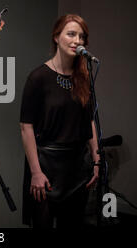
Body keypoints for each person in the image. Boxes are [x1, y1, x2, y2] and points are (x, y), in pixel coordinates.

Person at [20, 14, 99, 229]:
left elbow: (89, 120)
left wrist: (96, 158)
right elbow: (26, 127)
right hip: (46, 166)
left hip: (76, 168)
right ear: (56, 37)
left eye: (81, 37)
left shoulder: (83, 78)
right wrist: (36, 172)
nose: (77, 41)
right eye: (71, 34)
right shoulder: (38, 77)